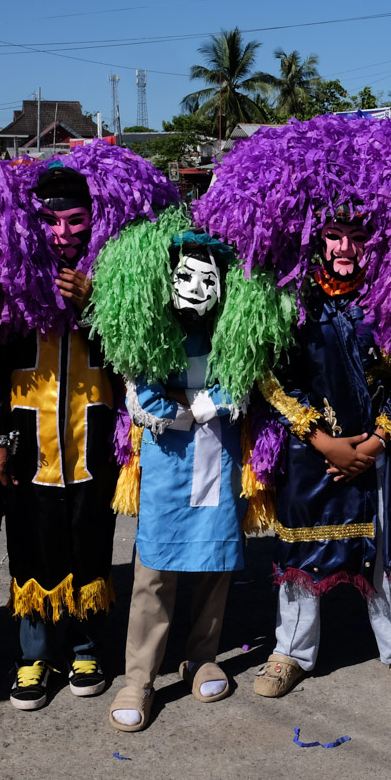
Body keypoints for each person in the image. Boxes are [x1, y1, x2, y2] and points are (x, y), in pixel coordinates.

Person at [193, 114, 391, 698]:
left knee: (388, 554)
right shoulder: (290, 301)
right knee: (302, 558)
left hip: (382, 452)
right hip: (310, 450)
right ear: (315, 238)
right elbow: (273, 376)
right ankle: (291, 652)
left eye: (356, 235)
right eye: (334, 236)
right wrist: (321, 439)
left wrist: (376, 440)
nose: (345, 248)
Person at [0, 144, 178, 711]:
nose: (64, 233)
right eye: (51, 221)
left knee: (90, 540)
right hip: (27, 443)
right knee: (31, 544)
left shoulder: (114, 282)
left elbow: (138, 349)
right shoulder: (8, 280)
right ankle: (34, 655)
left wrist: (98, 303)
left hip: (91, 442)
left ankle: (87, 645)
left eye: (76, 221)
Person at [85, 205, 263, 730]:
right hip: (167, 456)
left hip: (220, 449)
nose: (195, 286)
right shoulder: (151, 326)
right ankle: (138, 676)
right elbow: (140, 384)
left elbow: (243, 373)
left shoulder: (231, 328)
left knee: (214, 559)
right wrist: (179, 410)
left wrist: (209, 405)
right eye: (184, 275)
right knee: (155, 567)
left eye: (208, 277)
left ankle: (203, 655)